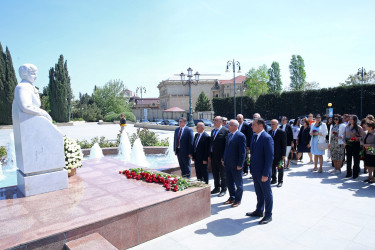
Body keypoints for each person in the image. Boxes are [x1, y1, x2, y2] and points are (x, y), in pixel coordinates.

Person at [247, 118, 274, 225]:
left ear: (261, 126)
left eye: (253, 125)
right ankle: (259, 210)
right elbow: (253, 154)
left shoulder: (267, 138)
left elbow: (269, 158)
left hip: (263, 172)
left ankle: (268, 215)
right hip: (255, 171)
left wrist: (265, 174)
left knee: (267, 194)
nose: (252, 126)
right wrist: (252, 169)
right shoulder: (254, 136)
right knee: (259, 193)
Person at [222, 119, 246, 208]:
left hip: (236, 165)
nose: (228, 126)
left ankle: (238, 199)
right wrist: (224, 159)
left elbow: (242, 152)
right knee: (229, 182)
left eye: (230, 125)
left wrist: (240, 164)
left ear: (235, 126)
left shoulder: (241, 136)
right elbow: (226, 149)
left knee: (238, 184)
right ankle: (232, 197)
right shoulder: (229, 135)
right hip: (228, 163)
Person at [210, 116, 229, 196]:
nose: (214, 122)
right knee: (215, 173)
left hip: (221, 157)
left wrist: (224, 157)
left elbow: (226, 145)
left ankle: (224, 189)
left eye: (216, 120)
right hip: (213, 156)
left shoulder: (225, 131)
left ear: (220, 122)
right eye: (214, 120)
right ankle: (216, 187)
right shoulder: (213, 131)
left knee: (223, 174)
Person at [269, 119, 287, 187]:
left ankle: (280, 181)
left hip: (279, 154)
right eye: (271, 124)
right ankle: (274, 179)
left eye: (273, 124)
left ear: (277, 124)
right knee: (272, 167)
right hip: (271, 154)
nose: (272, 125)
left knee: (280, 168)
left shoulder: (282, 132)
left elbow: (284, 144)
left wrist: (283, 155)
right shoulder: (270, 132)